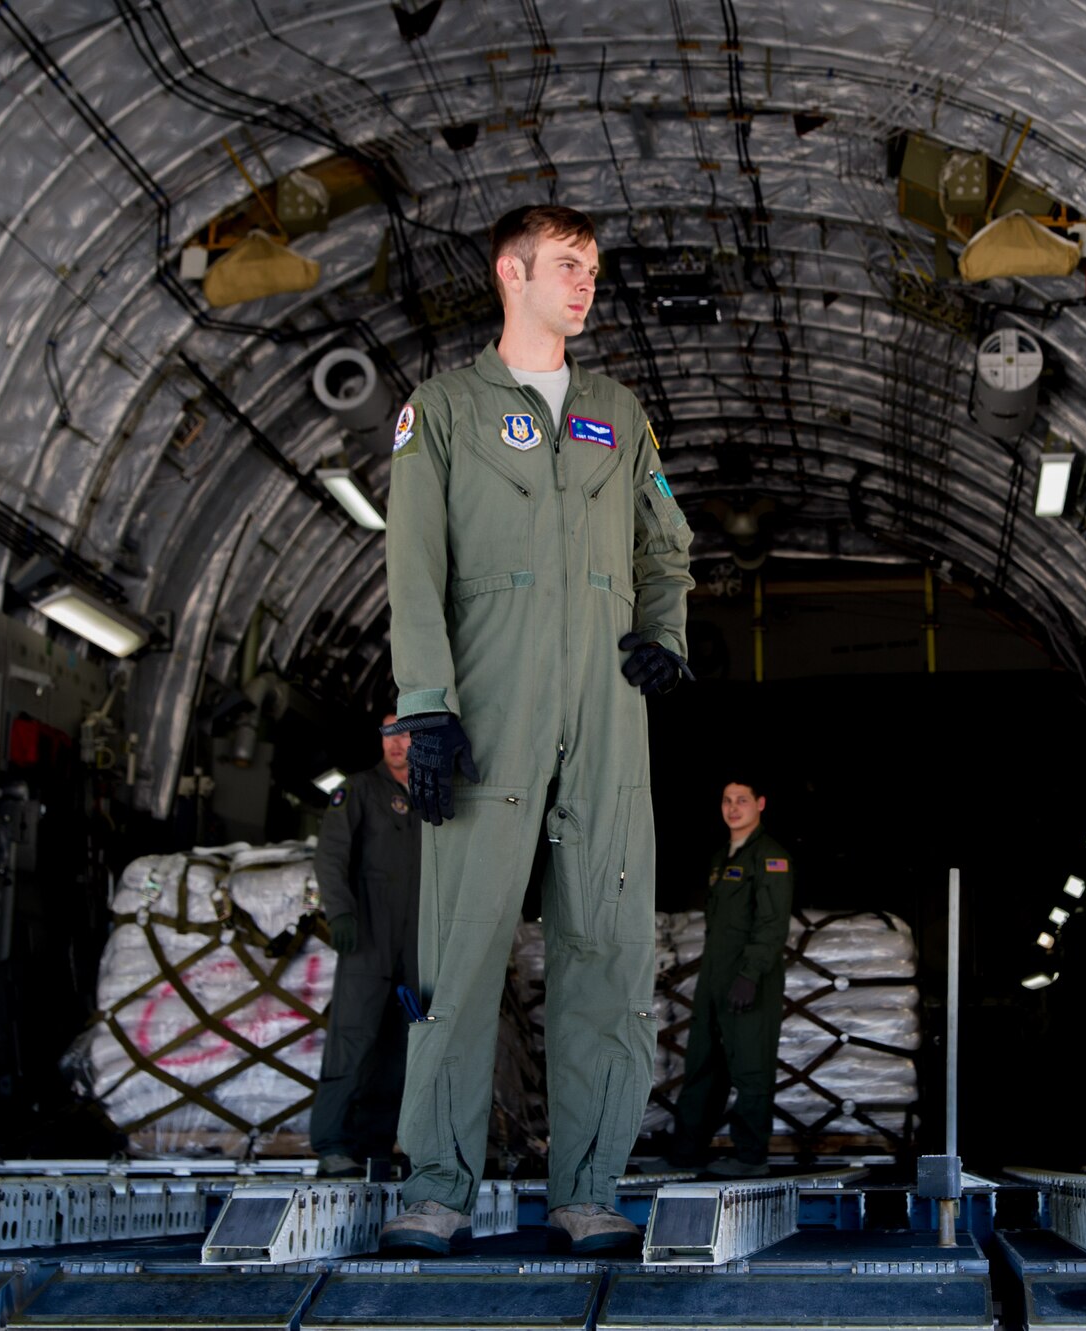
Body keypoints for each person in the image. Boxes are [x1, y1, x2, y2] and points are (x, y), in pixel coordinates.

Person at [378, 204, 695, 1255]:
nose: (585, 282)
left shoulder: (616, 410)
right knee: (462, 954)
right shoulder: (446, 410)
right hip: (488, 706)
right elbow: (412, 567)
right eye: (567, 264)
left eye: (594, 267)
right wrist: (424, 702)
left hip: (606, 714)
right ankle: (435, 1185)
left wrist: (663, 630)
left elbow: (667, 541)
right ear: (507, 271)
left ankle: (589, 1185)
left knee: (606, 949)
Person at [310, 714, 420, 1178]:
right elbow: (330, 855)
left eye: (407, 733)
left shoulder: (432, 798)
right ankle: (333, 1143)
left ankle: (377, 1144)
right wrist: (340, 913)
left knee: (401, 1049)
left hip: (415, 947)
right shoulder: (356, 790)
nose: (396, 743)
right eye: (388, 733)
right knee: (351, 1041)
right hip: (368, 940)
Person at [669, 779, 795, 1177]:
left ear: (761, 803)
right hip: (714, 976)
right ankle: (687, 1151)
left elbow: (773, 923)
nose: (733, 807)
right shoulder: (721, 857)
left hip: (749, 978)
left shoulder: (771, 857)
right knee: (702, 1061)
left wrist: (751, 974)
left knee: (751, 1064)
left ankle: (750, 1156)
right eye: (726, 800)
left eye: (742, 800)